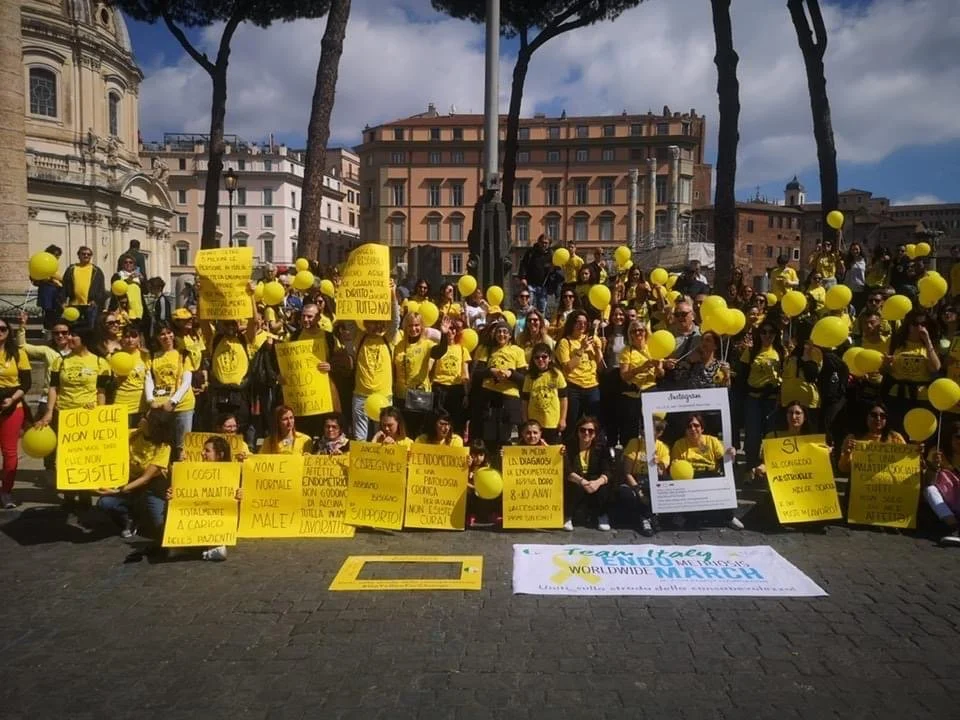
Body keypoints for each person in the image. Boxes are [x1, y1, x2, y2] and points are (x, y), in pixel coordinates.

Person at [96, 407, 173, 539]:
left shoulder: (164, 447)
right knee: (104, 503)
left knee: (161, 529)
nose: (141, 418)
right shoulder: (133, 435)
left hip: (152, 488)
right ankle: (129, 519)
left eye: (145, 417)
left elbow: (145, 478)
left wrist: (118, 491)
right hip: (130, 482)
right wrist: (92, 412)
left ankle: (143, 514)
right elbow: (104, 434)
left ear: (152, 424)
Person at [164, 435, 240, 561]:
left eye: (207, 451)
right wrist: (172, 494)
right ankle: (187, 544)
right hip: (193, 520)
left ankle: (207, 545)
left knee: (219, 551)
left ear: (220, 455)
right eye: (203, 450)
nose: (202, 453)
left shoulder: (232, 475)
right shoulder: (192, 473)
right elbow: (181, 497)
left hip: (217, 523)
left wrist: (239, 496)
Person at [669, 412, 741, 529]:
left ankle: (729, 517)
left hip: (711, 474)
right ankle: (682, 515)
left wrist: (731, 453)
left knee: (728, 475)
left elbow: (723, 457)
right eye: (689, 426)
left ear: (702, 428)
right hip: (690, 477)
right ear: (685, 430)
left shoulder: (711, 441)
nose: (693, 429)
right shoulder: (679, 444)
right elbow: (676, 466)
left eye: (696, 425)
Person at [352, 283, 400, 441]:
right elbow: (348, 319)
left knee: (385, 437)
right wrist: (344, 294)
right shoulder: (359, 337)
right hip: (361, 395)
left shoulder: (388, 338)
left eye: (376, 321)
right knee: (360, 438)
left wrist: (392, 294)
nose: (372, 324)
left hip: (383, 395)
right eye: (369, 321)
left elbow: (395, 320)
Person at [472, 321, 527, 453]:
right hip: (489, 396)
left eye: (505, 332)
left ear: (510, 335)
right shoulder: (486, 350)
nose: (501, 334)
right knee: (489, 436)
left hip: (510, 398)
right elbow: (477, 374)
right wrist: (491, 371)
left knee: (507, 438)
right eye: (499, 331)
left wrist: (510, 374)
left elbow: (524, 379)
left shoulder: (517, 351)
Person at [883, 309, 940, 432]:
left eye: (923, 324)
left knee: (919, 431)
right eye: (915, 324)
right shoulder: (895, 343)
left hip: (921, 397)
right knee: (897, 431)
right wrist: (886, 364)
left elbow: (935, 368)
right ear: (908, 325)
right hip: (897, 395)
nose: (919, 327)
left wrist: (928, 342)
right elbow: (886, 370)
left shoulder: (931, 345)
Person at [146, 322, 196, 460]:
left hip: (183, 405)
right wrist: (150, 400)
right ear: (157, 337)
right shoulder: (153, 356)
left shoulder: (183, 354)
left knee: (182, 446)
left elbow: (186, 382)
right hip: (160, 405)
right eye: (162, 334)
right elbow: (149, 379)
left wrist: (173, 401)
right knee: (161, 446)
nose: (166, 337)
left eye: (169, 333)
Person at [740, 322, 784, 468]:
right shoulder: (751, 351)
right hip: (753, 398)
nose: (767, 335)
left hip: (772, 399)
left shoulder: (782, 351)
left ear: (776, 334)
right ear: (759, 334)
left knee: (771, 435)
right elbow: (742, 375)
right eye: (763, 332)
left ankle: (771, 468)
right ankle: (750, 467)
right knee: (752, 435)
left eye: (771, 332)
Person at [0, 317, 31, 508]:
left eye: (3, 328)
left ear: (8, 331)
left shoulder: (18, 354)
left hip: (12, 405)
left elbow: (26, 383)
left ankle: (6, 492)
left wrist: (12, 399)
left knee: (10, 452)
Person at [620, 417, 669, 537]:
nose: (644, 430)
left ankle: (647, 517)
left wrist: (657, 464)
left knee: (666, 484)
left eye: (650, 429)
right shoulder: (634, 443)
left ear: (659, 433)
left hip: (652, 480)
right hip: (635, 480)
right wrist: (638, 490)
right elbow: (627, 472)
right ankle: (647, 517)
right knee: (630, 494)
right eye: (644, 428)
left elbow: (662, 473)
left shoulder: (663, 447)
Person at [563, 415, 611, 531]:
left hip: (593, 480)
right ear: (577, 431)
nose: (586, 433)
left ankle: (602, 515)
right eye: (583, 430)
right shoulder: (568, 447)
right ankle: (568, 516)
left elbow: (608, 470)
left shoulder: (601, 448)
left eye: (590, 431)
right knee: (573, 485)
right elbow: (567, 470)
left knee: (604, 486)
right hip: (575, 479)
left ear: (595, 434)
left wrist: (597, 483)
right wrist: (582, 481)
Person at [555, 311, 601, 431]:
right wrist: (582, 349)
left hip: (592, 386)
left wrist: (599, 349)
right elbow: (567, 368)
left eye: (585, 323)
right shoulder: (565, 342)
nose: (582, 325)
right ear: (572, 323)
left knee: (592, 423)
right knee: (572, 423)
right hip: (573, 386)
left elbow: (600, 366)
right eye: (578, 322)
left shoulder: (591, 339)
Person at [618, 321, 662, 442]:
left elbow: (661, 374)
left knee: (651, 426)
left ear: (645, 332)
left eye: (640, 330)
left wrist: (658, 367)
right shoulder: (626, 351)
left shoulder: (653, 348)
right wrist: (641, 368)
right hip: (633, 393)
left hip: (651, 390)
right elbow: (624, 376)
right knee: (630, 428)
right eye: (633, 331)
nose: (637, 333)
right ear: (630, 334)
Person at [837, 401, 905, 475]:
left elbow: (905, 462)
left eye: (882, 415)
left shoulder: (895, 437)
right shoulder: (853, 438)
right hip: (860, 484)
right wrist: (847, 454)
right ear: (866, 416)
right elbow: (843, 469)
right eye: (874, 415)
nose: (878, 418)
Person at [521, 342, 568, 444]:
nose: (540, 360)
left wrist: (563, 419)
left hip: (552, 422)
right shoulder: (529, 377)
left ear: (550, 358)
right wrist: (525, 420)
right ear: (533, 360)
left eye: (544, 356)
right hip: (534, 424)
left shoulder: (557, 374)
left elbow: (563, 398)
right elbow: (525, 400)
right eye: (537, 357)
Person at [431, 321, 470, 436]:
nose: (451, 331)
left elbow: (465, 370)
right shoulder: (437, 348)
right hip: (439, 387)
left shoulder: (462, 349)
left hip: (456, 388)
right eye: (448, 329)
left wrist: (466, 390)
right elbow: (430, 364)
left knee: (456, 420)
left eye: (453, 329)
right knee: (438, 418)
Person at [925, 420, 960, 546]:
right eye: (958, 437)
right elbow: (929, 482)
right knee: (929, 490)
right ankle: (954, 528)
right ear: (950, 437)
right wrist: (934, 467)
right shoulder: (937, 452)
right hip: (946, 496)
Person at [62, 246, 107, 330]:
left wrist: (96, 301)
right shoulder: (71, 269)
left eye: (89, 254)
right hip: (74, 304)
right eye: (83, 254)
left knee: (91, 328)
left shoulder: (96, 270)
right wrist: (63, 301)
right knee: (73, 328)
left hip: (90, 305)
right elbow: (64, 286)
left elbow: (101, 289)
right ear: (78, 255)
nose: (86, 256)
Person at [113, 325, 150, 429]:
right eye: (127, 336)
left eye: (134, 336)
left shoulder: (145, 355)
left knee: (139, 441)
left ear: (139, 338)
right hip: (121, 404)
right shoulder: (116, 356)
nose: (130, 340)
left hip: (141, 405)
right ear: (122, 338)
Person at [518, 234, 553, 314]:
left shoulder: (551, 254)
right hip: (530, 284)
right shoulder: (531, 252)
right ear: (538, 242)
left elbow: (555, 270)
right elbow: (523, 264)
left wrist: (552, 270)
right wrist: (522, 277)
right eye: (542, 242)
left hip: (543, 285)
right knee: (529, 306)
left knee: (542, 308)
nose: (544, 245)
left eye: (546, 243)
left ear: (549, 244)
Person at [34, 244, 64, 331]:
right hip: (48, 290)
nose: (57, 257)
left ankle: (55, 329)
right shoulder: (43, 263)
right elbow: (39, 278)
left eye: (58, 255)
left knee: (58, 311)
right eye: (56, 254)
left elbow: (58, 276)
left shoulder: (56, 264)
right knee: (49, 312)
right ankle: (49, 330)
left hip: (57, 290)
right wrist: (52, 279)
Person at [844, 243, 868, 311]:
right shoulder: (848, 260)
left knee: (858, 308)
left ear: (860, 250)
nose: (855, 251)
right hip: (849, 289)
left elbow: (867, 273)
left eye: (856, 249)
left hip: (860, 289)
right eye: (853, 249)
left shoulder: (864, 260)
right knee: (849, 309)